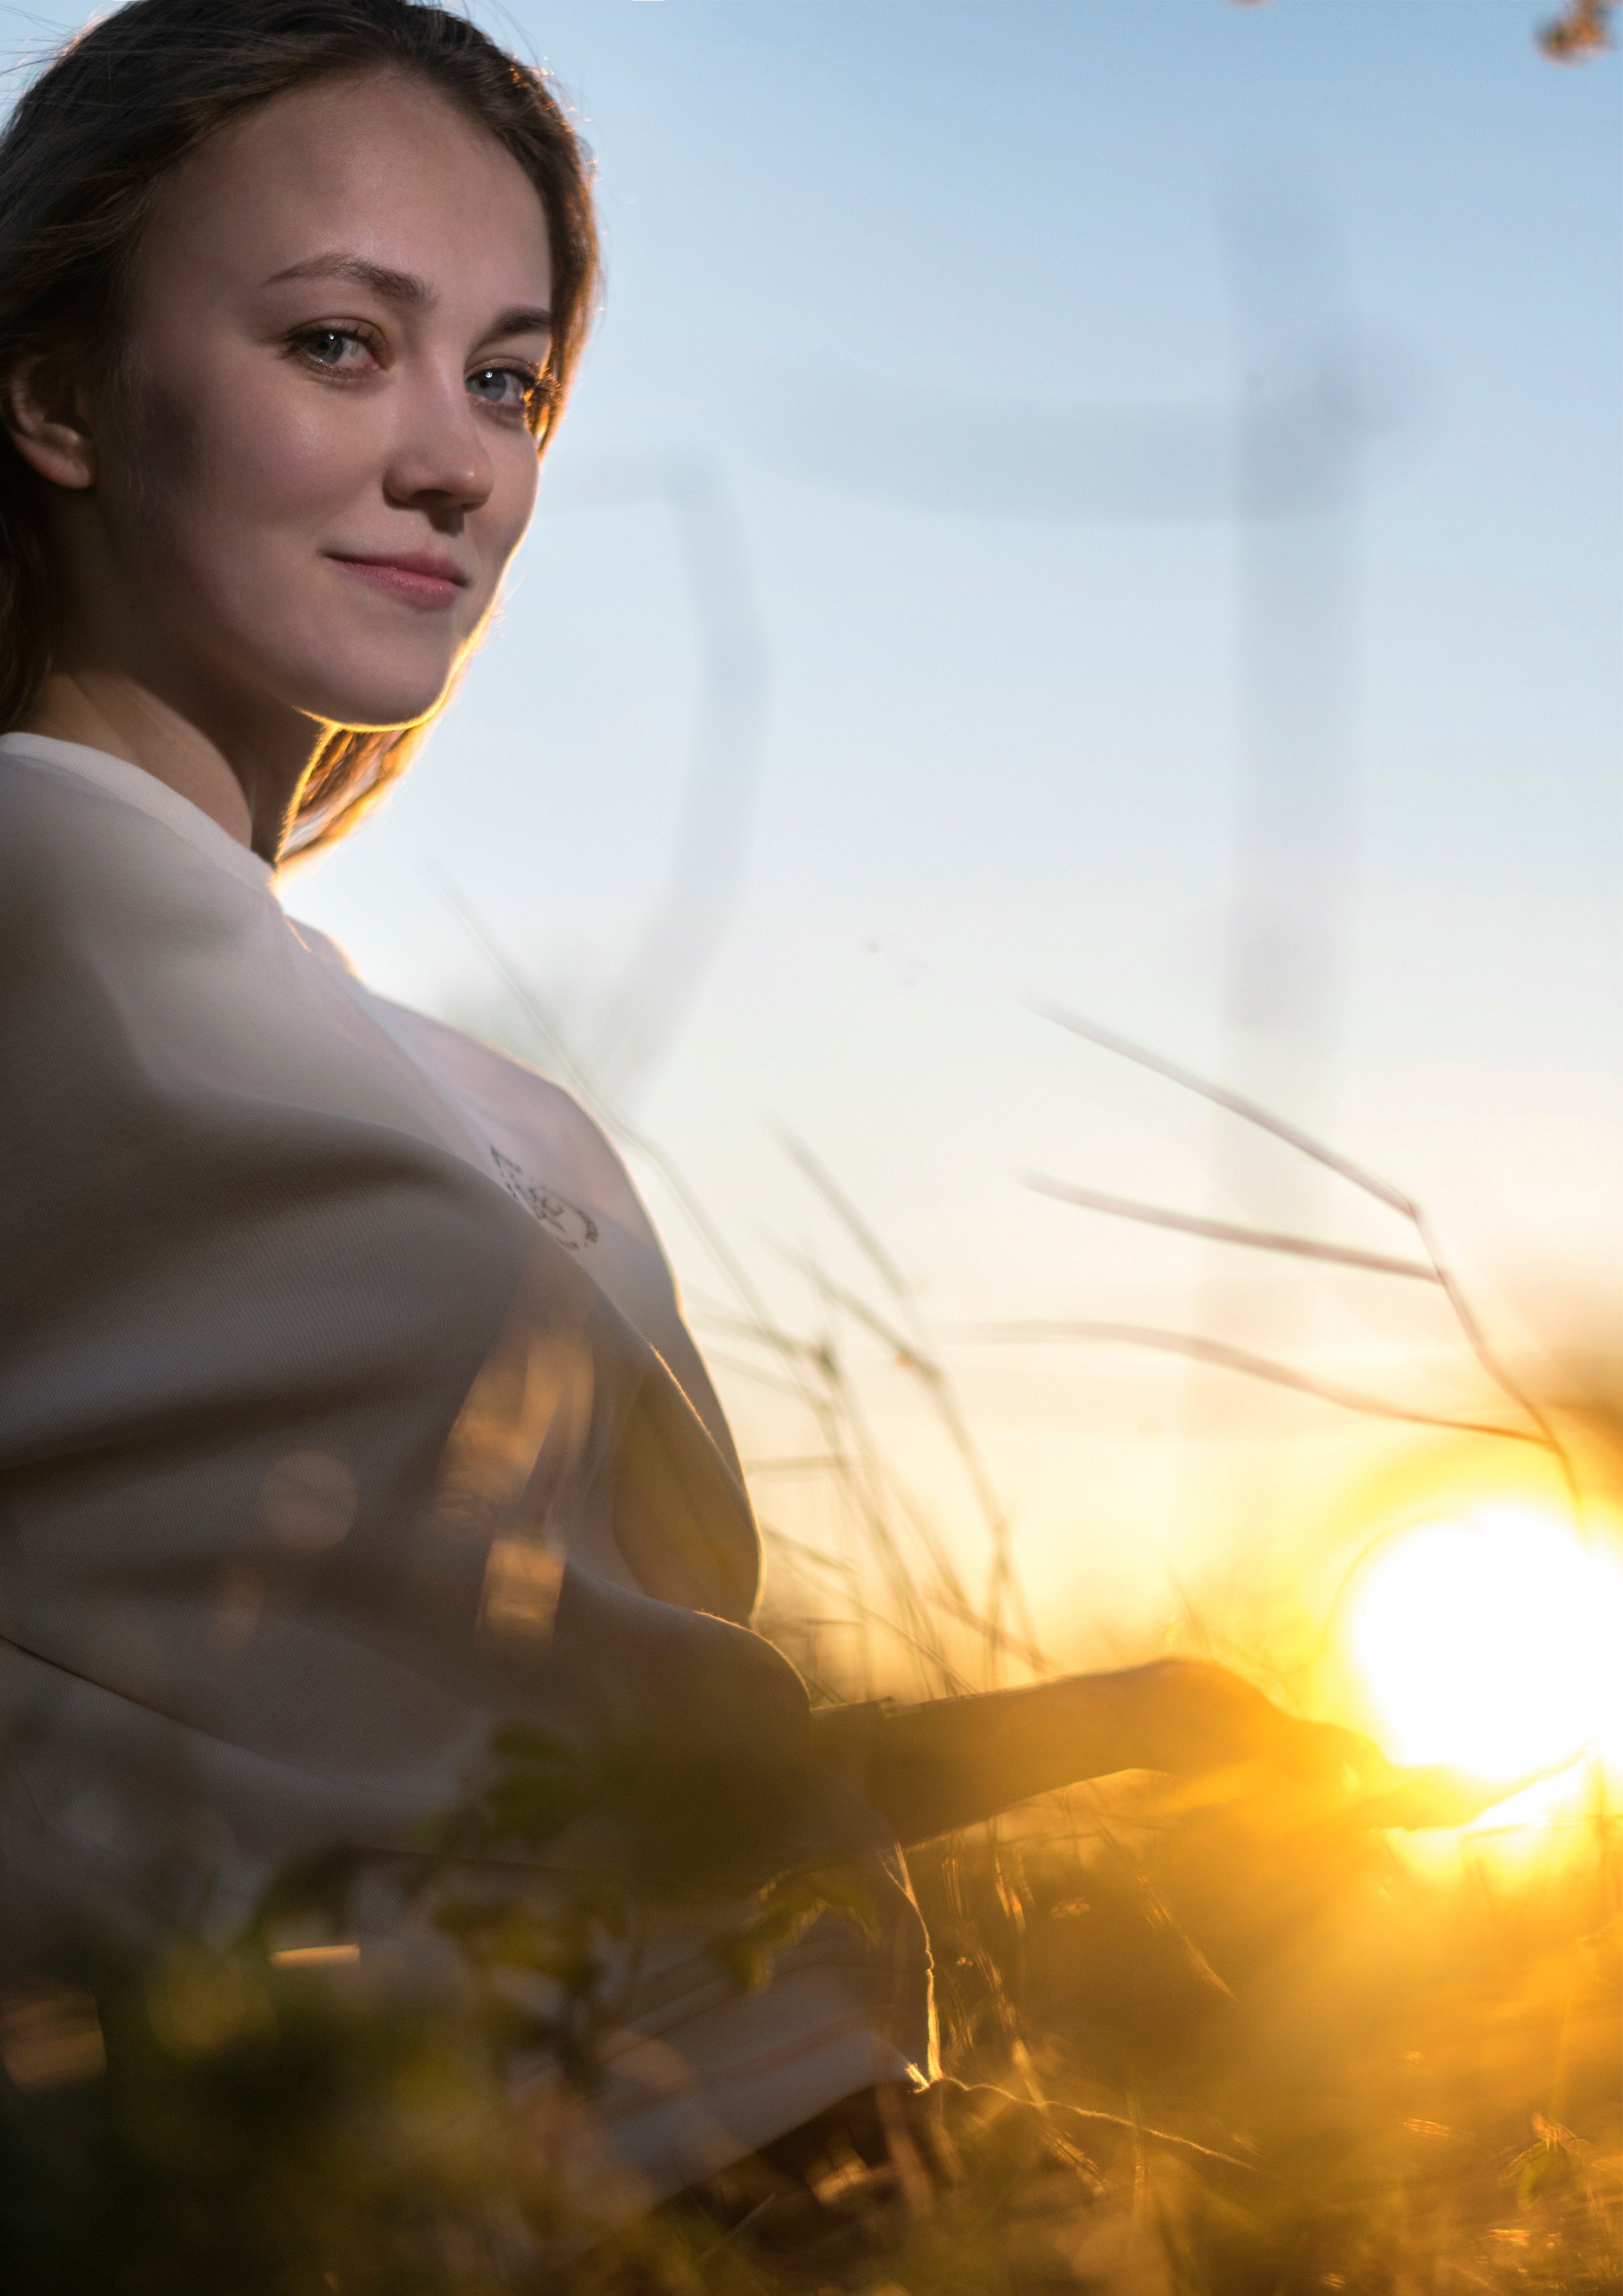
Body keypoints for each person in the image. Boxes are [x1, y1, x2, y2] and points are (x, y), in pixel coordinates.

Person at [0, 0, 1494, 2228]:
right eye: (339, 342)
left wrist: (1115, 1722)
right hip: (334, 2191)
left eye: (506, 379)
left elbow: (595, 1772)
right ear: (54, 390)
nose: (457, 461)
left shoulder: (482, 1098)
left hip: (779, 2180)